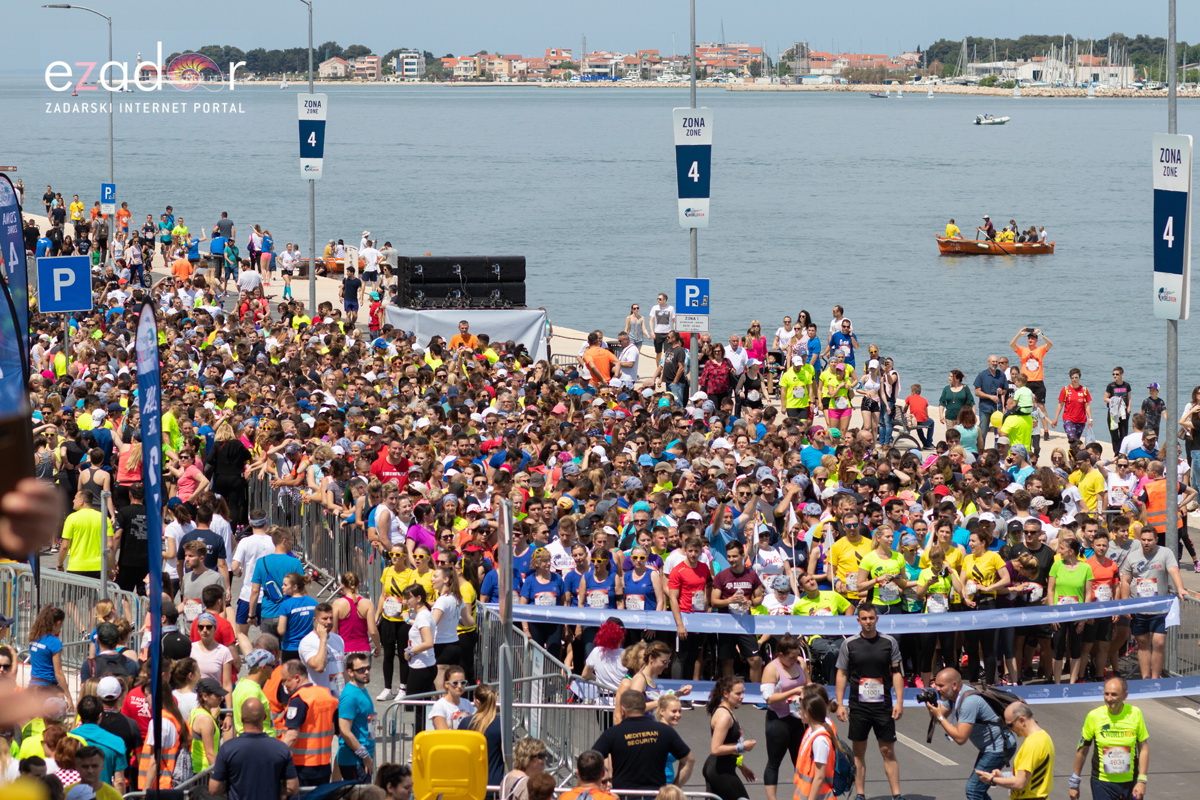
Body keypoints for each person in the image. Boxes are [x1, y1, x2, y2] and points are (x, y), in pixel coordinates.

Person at [834, 604, 904, 800]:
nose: (868, 622)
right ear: (858, 620)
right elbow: (842, 674)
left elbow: (897, 673)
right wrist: (840, 704)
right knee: (859, 752)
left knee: (887, 750)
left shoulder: (889, 642)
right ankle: (860, 794)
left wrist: (899, 702)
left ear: (877, 619)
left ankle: (897, 794)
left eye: (871, 618)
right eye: (864, 618)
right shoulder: (849, 645)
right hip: (859, 706)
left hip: (883, 706)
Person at [925, 668, 1017, 800]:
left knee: (974, 789)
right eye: (936, 685)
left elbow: (960, 738)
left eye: (941, 686)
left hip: (998, 748)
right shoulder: (952, 694)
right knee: (978, 789)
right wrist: (933, 704)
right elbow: (937, 716)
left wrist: (940, 717)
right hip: (990, 747)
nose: (937, 689)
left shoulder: (969, 702)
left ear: (954, 685)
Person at [1119, 527, 1197, 679]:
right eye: (1143, 540)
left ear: (1156, 539)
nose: (1146, 543)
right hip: (1139, 608)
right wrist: (1125, 603)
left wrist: (1180, 588)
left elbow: (1174, 571)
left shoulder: (1165, 553)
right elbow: (1126, 581)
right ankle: (1145, 677)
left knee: (1159, 643)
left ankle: (1155, 678)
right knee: (1142, 644)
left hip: (1160, 608)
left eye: (1149, 540)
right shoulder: (1132, 557)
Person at [593, 690, 694, 793]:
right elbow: (689, 760)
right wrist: (675, 787)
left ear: (623, 710)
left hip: (624, 794)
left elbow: (590, 760)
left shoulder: (613, 733)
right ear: (644, 708)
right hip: (656, 795)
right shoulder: (665, 731)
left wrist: (602, 783)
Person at [1068, 677, 1149, 800]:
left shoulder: (1135, 713)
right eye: (1106, 694)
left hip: (1130, 783)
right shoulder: (1094, 716)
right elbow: (1082, 750)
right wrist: (1074, 783)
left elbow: (1143, 748)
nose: (1109, 698)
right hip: (1102, 783)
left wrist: (1142, 780)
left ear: (1125, 695)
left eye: (1114, 695)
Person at [209, 698, 298, 800]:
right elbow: (292, 787)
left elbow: (214, 788)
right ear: (264, 716)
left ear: (241, 717)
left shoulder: (228, 748)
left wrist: (231, 787)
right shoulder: (281, 748)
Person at [760, 633, 808, 800]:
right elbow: (769, 698)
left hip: (800, 718)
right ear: (780, 655)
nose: (795, 660)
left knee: (802, 761)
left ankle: (803, 795)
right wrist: (793, 691)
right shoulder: (771, 669)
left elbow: (807, 684)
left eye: (797, 655)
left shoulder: (800, 663)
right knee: (774, 762)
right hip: (779, 719)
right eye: (791, 657)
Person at [976, 703, 1054, 800]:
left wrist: (992, 780)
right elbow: (1028, 776)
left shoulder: (1032, 743)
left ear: (1021, 720)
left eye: (1010, 725)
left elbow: (1019, 783)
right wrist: (1003, 777)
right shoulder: (1044, 737)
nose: (1010, 729)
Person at [281, 659, 338, 786]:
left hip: (303, 766)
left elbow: (292, 736)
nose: (284, 685)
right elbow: (333, 729)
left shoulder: (299, 699)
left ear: (296, 678)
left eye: (285, 680)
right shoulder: (325, 694)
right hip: (324, 764)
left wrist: (277, 757)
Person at [702, 675, 757, 800]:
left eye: (743, 692)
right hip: (719, 770)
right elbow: (716, 749)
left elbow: (730, 748)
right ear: (726, 694)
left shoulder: (729, 711)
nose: (742, 696)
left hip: (722, 767)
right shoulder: (724, 716)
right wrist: (743, 746)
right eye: (737, 693)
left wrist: (742, 767)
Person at [337, 653, 376, 781]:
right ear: (350, 672)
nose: (366, 672)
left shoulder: (361, 690)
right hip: (354, 761)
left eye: (368, 668)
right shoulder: (350, 696)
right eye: (361, 670)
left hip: (363, 757)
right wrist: (364, 756)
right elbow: (344, 730)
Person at [794, 692, 838, 800]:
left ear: (808, 712)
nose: (799, 712)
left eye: (801, 709)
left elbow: (819, 776)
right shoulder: (812, 733)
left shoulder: (820, 740)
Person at [298, 602, 346, 698]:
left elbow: (342, 669)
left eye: (331, 618)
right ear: (315, 620)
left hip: (339, 698)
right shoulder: (307, 642)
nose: (329, 622)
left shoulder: (338, 639)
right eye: (324, 619)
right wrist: (323, 639)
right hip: (319, 698)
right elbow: (319, 667)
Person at [428, 665, 473, 731]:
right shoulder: (440, 706)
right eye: (455, 683)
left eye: (463, 682)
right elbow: (443, 734)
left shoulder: (467, 703)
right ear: (446, 684)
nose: (460, 686)